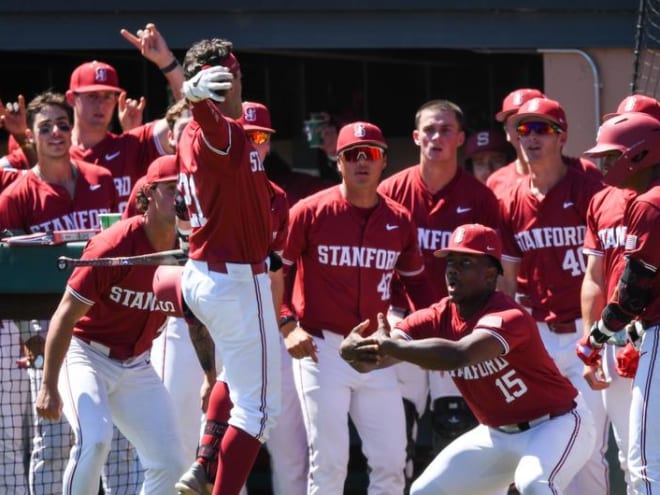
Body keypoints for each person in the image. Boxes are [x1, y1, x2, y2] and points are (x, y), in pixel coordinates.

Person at [339, 223, 597, 495]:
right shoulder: (439, 314)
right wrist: (354, 352)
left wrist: (391, 347)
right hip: (497, 434)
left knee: (534, 484)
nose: (452, 270)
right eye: (450, 262)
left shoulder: (509, 316)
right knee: (424, 492)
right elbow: (376, 359)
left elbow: (459, 355)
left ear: (489, 274)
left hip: (556, 424)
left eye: (465, 262)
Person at [279, 120, 435, 495]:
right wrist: (287, 324)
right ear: (338, 161)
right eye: (353, 155)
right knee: (330, 462)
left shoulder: (398, 219)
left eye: (372, 155)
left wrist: (413, 335)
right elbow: (276, 275)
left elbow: (417, 288)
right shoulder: (309, 211)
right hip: (321, 348)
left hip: (375, 350)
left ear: (384, 162)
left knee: (391, 460)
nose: (362, 162)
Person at [33, 154, 187, 494]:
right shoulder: (114, 244)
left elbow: (198, 321)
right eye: (172, 187)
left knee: (171, 461)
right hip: (85, 354)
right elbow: (64, 316)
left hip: (136, 364)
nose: (182, 196)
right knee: (96, 440)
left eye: (187, 187)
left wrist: (208, 377)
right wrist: (48, 385)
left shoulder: (187, 249)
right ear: (148, 193)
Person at [175, 38, 281, 495]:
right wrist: (196, 98)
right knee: (259, 413)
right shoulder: (221, 131)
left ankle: (203, 463)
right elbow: (212, 125)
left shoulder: (195, 132)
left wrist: (191, 95)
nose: (236, 81)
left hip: (206, 271)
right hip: (235, 279)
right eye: (230, 75)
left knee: (236, 381)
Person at [0, 90, 120, 495]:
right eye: (45, 127)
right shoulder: (16, 195)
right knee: (54, 440)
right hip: (48, 330)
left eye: (63, 125)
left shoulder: (100, 181)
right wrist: (29, 335)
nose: (56, 132)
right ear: (31, 136)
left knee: (116, 441)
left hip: (104, 327)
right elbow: (10, 278)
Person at [377, 99, 501, 478]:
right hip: (405, 317)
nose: (436, 137)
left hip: (458, 322)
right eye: (429, 129)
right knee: (400, 428)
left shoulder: (480, 198)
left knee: (455, 424)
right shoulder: (391, 190)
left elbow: (494, 270)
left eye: (446, 129)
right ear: (416, 136)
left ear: (461, 138)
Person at [498, 97, 608, 495]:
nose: (531, 137)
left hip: (586, 330)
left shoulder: (589, 182)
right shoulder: (510, 196)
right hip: (538, 333)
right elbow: (507, 283)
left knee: (590, 446)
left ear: (561, 136)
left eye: (542, 128)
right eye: (524, 128)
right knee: (540, 445)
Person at [1, 23, 184, 213]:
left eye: (107, 97)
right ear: (72, 99)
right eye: (93, 96)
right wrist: (22, 136)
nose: (101, 105)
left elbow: (187, 114)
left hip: (127, 241)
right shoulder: (51, 146)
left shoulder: (131, 144)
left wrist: (167, 62)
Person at [574, 97, 660, 494]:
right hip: (637, 334)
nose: (605, 166)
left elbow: (633, 291)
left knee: (645, 463)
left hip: (646, 332)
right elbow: (598, 278)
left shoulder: (649, 202)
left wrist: (595, 337)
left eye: (613, 156)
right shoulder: (606, 201)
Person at [487, 88, 601, 202]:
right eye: (519, 125)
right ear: (506, 131)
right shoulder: (496, 182)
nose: (531, 134)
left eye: (540, 126)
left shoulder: (585, 171)